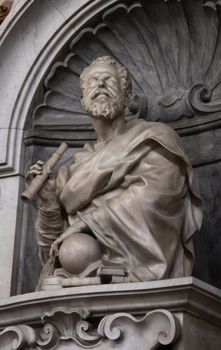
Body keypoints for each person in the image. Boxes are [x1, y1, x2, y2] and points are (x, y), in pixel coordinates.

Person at [26, 56, 202, 289]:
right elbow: (52, 252)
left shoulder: (154, 139)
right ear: (82, 99)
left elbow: (156, 197)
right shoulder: (72, 168)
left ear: (127, 96)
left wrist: (88, 222)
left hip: (143, 272)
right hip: (81, 274)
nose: (100, 85)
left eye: (108, 80)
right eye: (93, 81)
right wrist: (48, 205)